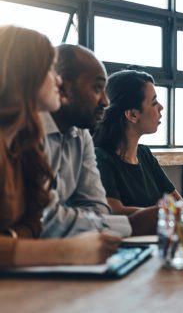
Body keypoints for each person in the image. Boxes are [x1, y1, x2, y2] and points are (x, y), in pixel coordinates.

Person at [0, 25, 120, 267]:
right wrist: (65, 251)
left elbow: (34, 222)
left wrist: (13, 240)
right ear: (23, 75)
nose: (58, 79)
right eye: (48, 69)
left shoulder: (23, 146)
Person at [41, 44, 157, 238]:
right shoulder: (26, 131)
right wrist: (132, 224)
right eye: (97, 88)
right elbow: (43, 219)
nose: (105, 101)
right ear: (62, 87)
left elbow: (98, 210)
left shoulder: (82, 134)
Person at [93, 69, 183, 211]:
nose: (161, 107)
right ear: (132, 115)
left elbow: (179, 205)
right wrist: (165, 211)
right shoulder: (100, 158)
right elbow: (116, 212)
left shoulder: (144, 153)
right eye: (154, 103)